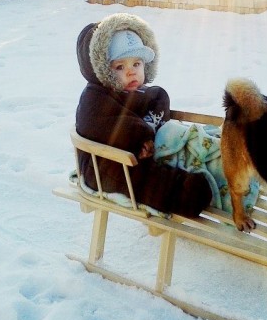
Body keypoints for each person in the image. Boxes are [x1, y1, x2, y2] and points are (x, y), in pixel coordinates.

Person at [75, 12, 212, 218]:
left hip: (138, 154)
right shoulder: (95, 98)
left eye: (136, 64)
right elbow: (108, 126)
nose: (132, 72)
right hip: (102, 163)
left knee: (167, 143)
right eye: (120, 66)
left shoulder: (139, 92)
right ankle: (180, 192)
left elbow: (159, 99)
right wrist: (142, 135)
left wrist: (149, 129)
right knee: (142, 180)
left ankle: (206, 164)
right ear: (101, 70)